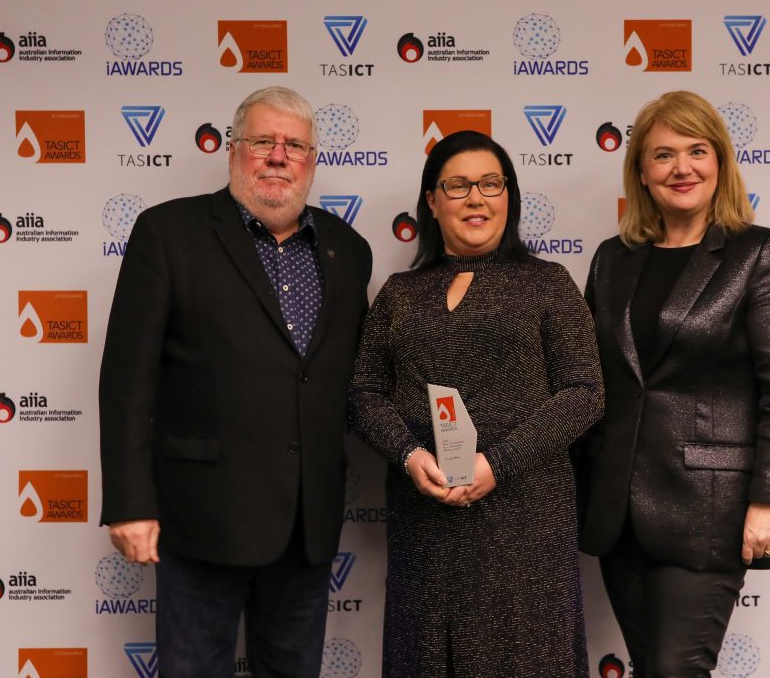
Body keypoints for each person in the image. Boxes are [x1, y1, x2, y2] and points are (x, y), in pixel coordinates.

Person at [98, 86, 372, 678]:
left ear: (312, 160)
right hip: (200, 517)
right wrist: (129, 503)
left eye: (295, 145)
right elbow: (126, 380)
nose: (278, 156)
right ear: (232, 149)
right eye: (262, 141)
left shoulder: (349, 250)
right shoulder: (168, 232)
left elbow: (349, 381)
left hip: (305, 525)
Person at [349, 130, 604, 677]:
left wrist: (499, 463)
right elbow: (365, 393)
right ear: (432, 200)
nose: (475, 198)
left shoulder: (548, 283)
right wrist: (409, 455)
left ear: (508, 196)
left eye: (491, 183)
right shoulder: (399, 293)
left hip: (525, 518)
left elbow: (584, 393)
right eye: (458, 185)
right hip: (425, 517)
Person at [580, 90, 770, 677]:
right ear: (641, 172)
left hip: (709, 512)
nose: (681, 167)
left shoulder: (762, 254)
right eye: (663, 155)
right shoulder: (612, 259)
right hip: (618, 511)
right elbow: (593, 379)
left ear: (720, 162)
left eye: (696, 150)